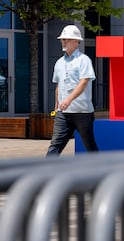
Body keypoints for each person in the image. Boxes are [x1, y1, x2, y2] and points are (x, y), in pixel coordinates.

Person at [47, 25, 99, 156]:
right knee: (55, 146)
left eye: (67, 39)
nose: (64, 42)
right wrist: (57, 107)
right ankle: (45, 173)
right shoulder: (59, 62)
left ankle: (100, 170)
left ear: (76, 42)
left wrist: (69, 99)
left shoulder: (84, 60)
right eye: (63, 39)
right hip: (63, 114)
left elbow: (84, 82)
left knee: (89, 145)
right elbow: (59, 85)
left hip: (82, 113)